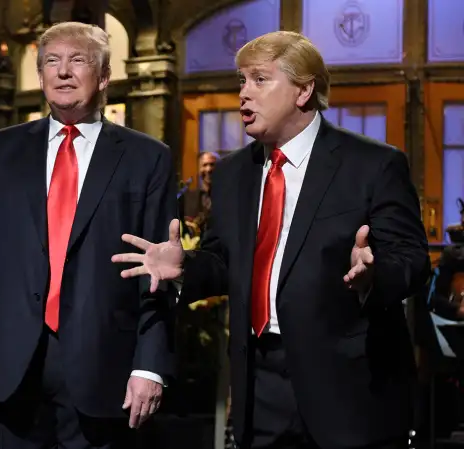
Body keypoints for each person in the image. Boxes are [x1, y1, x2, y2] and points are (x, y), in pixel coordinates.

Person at [112, 31, 430, 449]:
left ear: (303, 90)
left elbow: (411, 259)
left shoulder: (373, 165)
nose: (243, 94)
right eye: (241, 81)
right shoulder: (230, 175)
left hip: (348, 389)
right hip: (259, 388)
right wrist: (186, 267)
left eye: (259, 80)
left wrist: (374, 274)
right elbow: (226, 261)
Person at [0, 21, 177, 449]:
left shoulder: (148, 159)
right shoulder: (0, 150)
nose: (63, 72)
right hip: (9, 361)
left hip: (105, 363)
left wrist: (150, 366)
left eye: (78, 60)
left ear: (105, 77)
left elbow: (157, 272)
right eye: (51, 61)